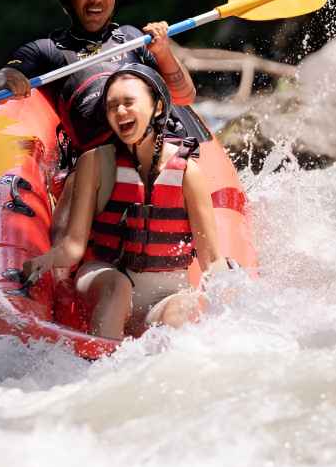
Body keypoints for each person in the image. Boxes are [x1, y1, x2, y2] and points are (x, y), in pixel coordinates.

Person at [22, 64, 234, 340]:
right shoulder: (95, 162)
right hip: (104, 276)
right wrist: (44, 261)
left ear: (157, 108)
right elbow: (74, 246)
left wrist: (231, 284)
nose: (120, 112)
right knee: (118, 287)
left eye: (128, 103)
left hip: (166, 290)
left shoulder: (187, 173)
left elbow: (211, 259)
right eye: (112, 106)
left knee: (181, 307)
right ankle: (100, 366)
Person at [0, 0, 196, 154]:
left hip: (151, 147)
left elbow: (185, 96)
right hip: (97, 158)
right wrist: (9, 80)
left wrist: (162, 51)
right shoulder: (46, 50)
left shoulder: (133, 38)